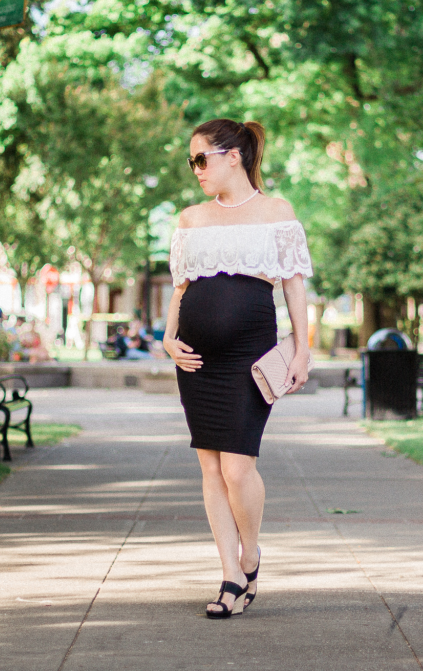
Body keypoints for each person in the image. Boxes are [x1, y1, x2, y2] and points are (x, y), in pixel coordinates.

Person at [164, 118, 312, 619]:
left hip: (249, 354)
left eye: (201, 158)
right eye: (192, 161)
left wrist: (302, 350)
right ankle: (230, 575)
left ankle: (251, 552)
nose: (196, 169)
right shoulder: (190, 218)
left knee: (237, 465)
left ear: (234, 156)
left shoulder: (276, 211)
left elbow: (292, 285)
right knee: (210, 467)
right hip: (196, 358)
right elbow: (181, 288)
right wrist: (167, 338)